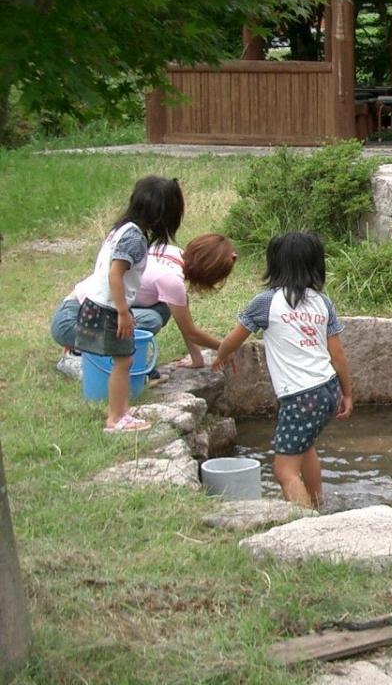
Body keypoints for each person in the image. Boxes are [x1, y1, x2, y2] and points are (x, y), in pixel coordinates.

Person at [212, 232, 353, 509]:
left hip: (301, 396)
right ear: (316, 265)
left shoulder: (266, 302)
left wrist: (221, 355)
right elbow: (337, 354)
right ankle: (317, 506)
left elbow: (234, 338)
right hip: (327, 389)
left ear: (274, 264)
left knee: (284, 471)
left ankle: (306, 527)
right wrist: (347, 393)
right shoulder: (323, 303)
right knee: (305, 446)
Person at [72, 175, 183, 433]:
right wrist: (123, 312)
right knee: (123, 362)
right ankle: (116, 418)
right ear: (161, 214)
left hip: (98, 303)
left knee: (124, 360)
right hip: (109, 308)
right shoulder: (135, 239)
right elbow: (115, 274)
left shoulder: (121, 229)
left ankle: (120, 411)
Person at [51, 232, 238, 377]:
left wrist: (197, 359)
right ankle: (79, 355)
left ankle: (94, 349)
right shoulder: (171, 279)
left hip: (85, 311)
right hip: (71, 322)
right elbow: (191, 331)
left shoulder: (170, 252)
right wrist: (225, 347)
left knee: (163, 309)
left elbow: (183, 313)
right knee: (151, 320)